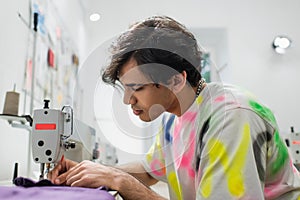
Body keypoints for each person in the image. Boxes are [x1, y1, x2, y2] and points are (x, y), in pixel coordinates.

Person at [48, 15, 300, 199]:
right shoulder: (173, 117)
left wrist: (120, 181)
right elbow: (150, 170)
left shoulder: (230, 118)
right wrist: (92, 171)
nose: (127, 100)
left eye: (136, 88)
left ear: (176, 80)